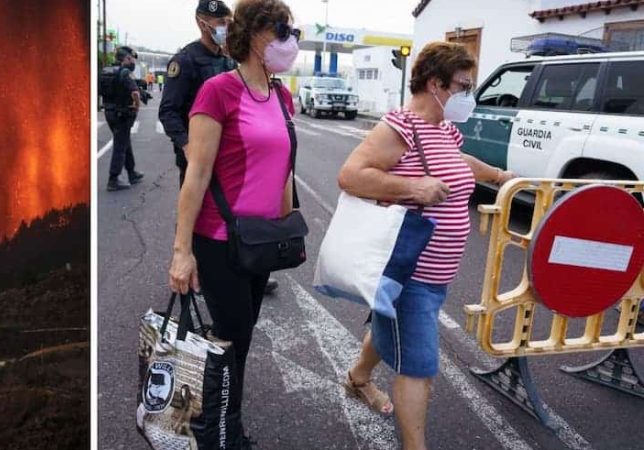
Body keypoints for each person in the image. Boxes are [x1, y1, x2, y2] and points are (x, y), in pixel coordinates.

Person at [337, 41, 514, 450]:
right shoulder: (401, 125)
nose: (468, 96)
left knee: (387, 332)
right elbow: (350, 176)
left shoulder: (443, 129)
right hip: (408, 274)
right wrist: (412, 187)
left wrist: (499, 175)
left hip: (436, 275)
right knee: (419, 366)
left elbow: (458, 161)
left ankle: (357, 379)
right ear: (436, 84)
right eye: (464, 86)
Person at [167, 0, 301, 446]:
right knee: (232, 341)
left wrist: (285, 229)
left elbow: (282, 168)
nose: (290, 40)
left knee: (237, 340)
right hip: (220, 238)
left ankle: (221, 424)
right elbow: (197, 175)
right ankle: (222, 434)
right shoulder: (218, 91)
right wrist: (181, 252)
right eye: (281, 30)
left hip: (259, 243)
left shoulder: (282, 96)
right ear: (254, 35)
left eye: (291, 30)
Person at [159, 0, 235, 189]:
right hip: (196, 157)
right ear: (202, 24)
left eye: (228, 23)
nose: (226, 28)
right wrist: (187, 147)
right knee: (193, 213)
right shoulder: (185, 61)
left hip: (227, 154)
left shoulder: (228, 62)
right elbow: (168, 112)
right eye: (221, 23)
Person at [101, 46, 145, 191]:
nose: (133, 62)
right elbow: (135, 93)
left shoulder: (107, 71)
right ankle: (113, 179)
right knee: (120, 146)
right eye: (131, 59)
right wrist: (137, 106)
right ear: (126, 59)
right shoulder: (125, 73)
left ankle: (132, 173)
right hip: (122, 113)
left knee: (124, 142)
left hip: (109, 112)